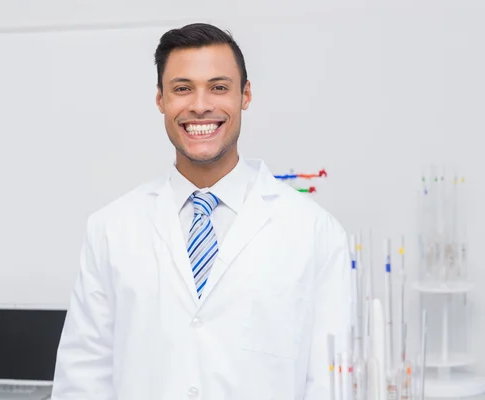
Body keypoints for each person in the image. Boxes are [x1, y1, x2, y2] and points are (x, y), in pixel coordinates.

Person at [52, 23, 351, 400]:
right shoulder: (110, 229)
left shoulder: (315, 233)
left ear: (246, 95)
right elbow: (83, 380)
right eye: (182, 89)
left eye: (219, 87)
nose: (200, 105)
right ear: (160, 100)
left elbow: (331, 385)